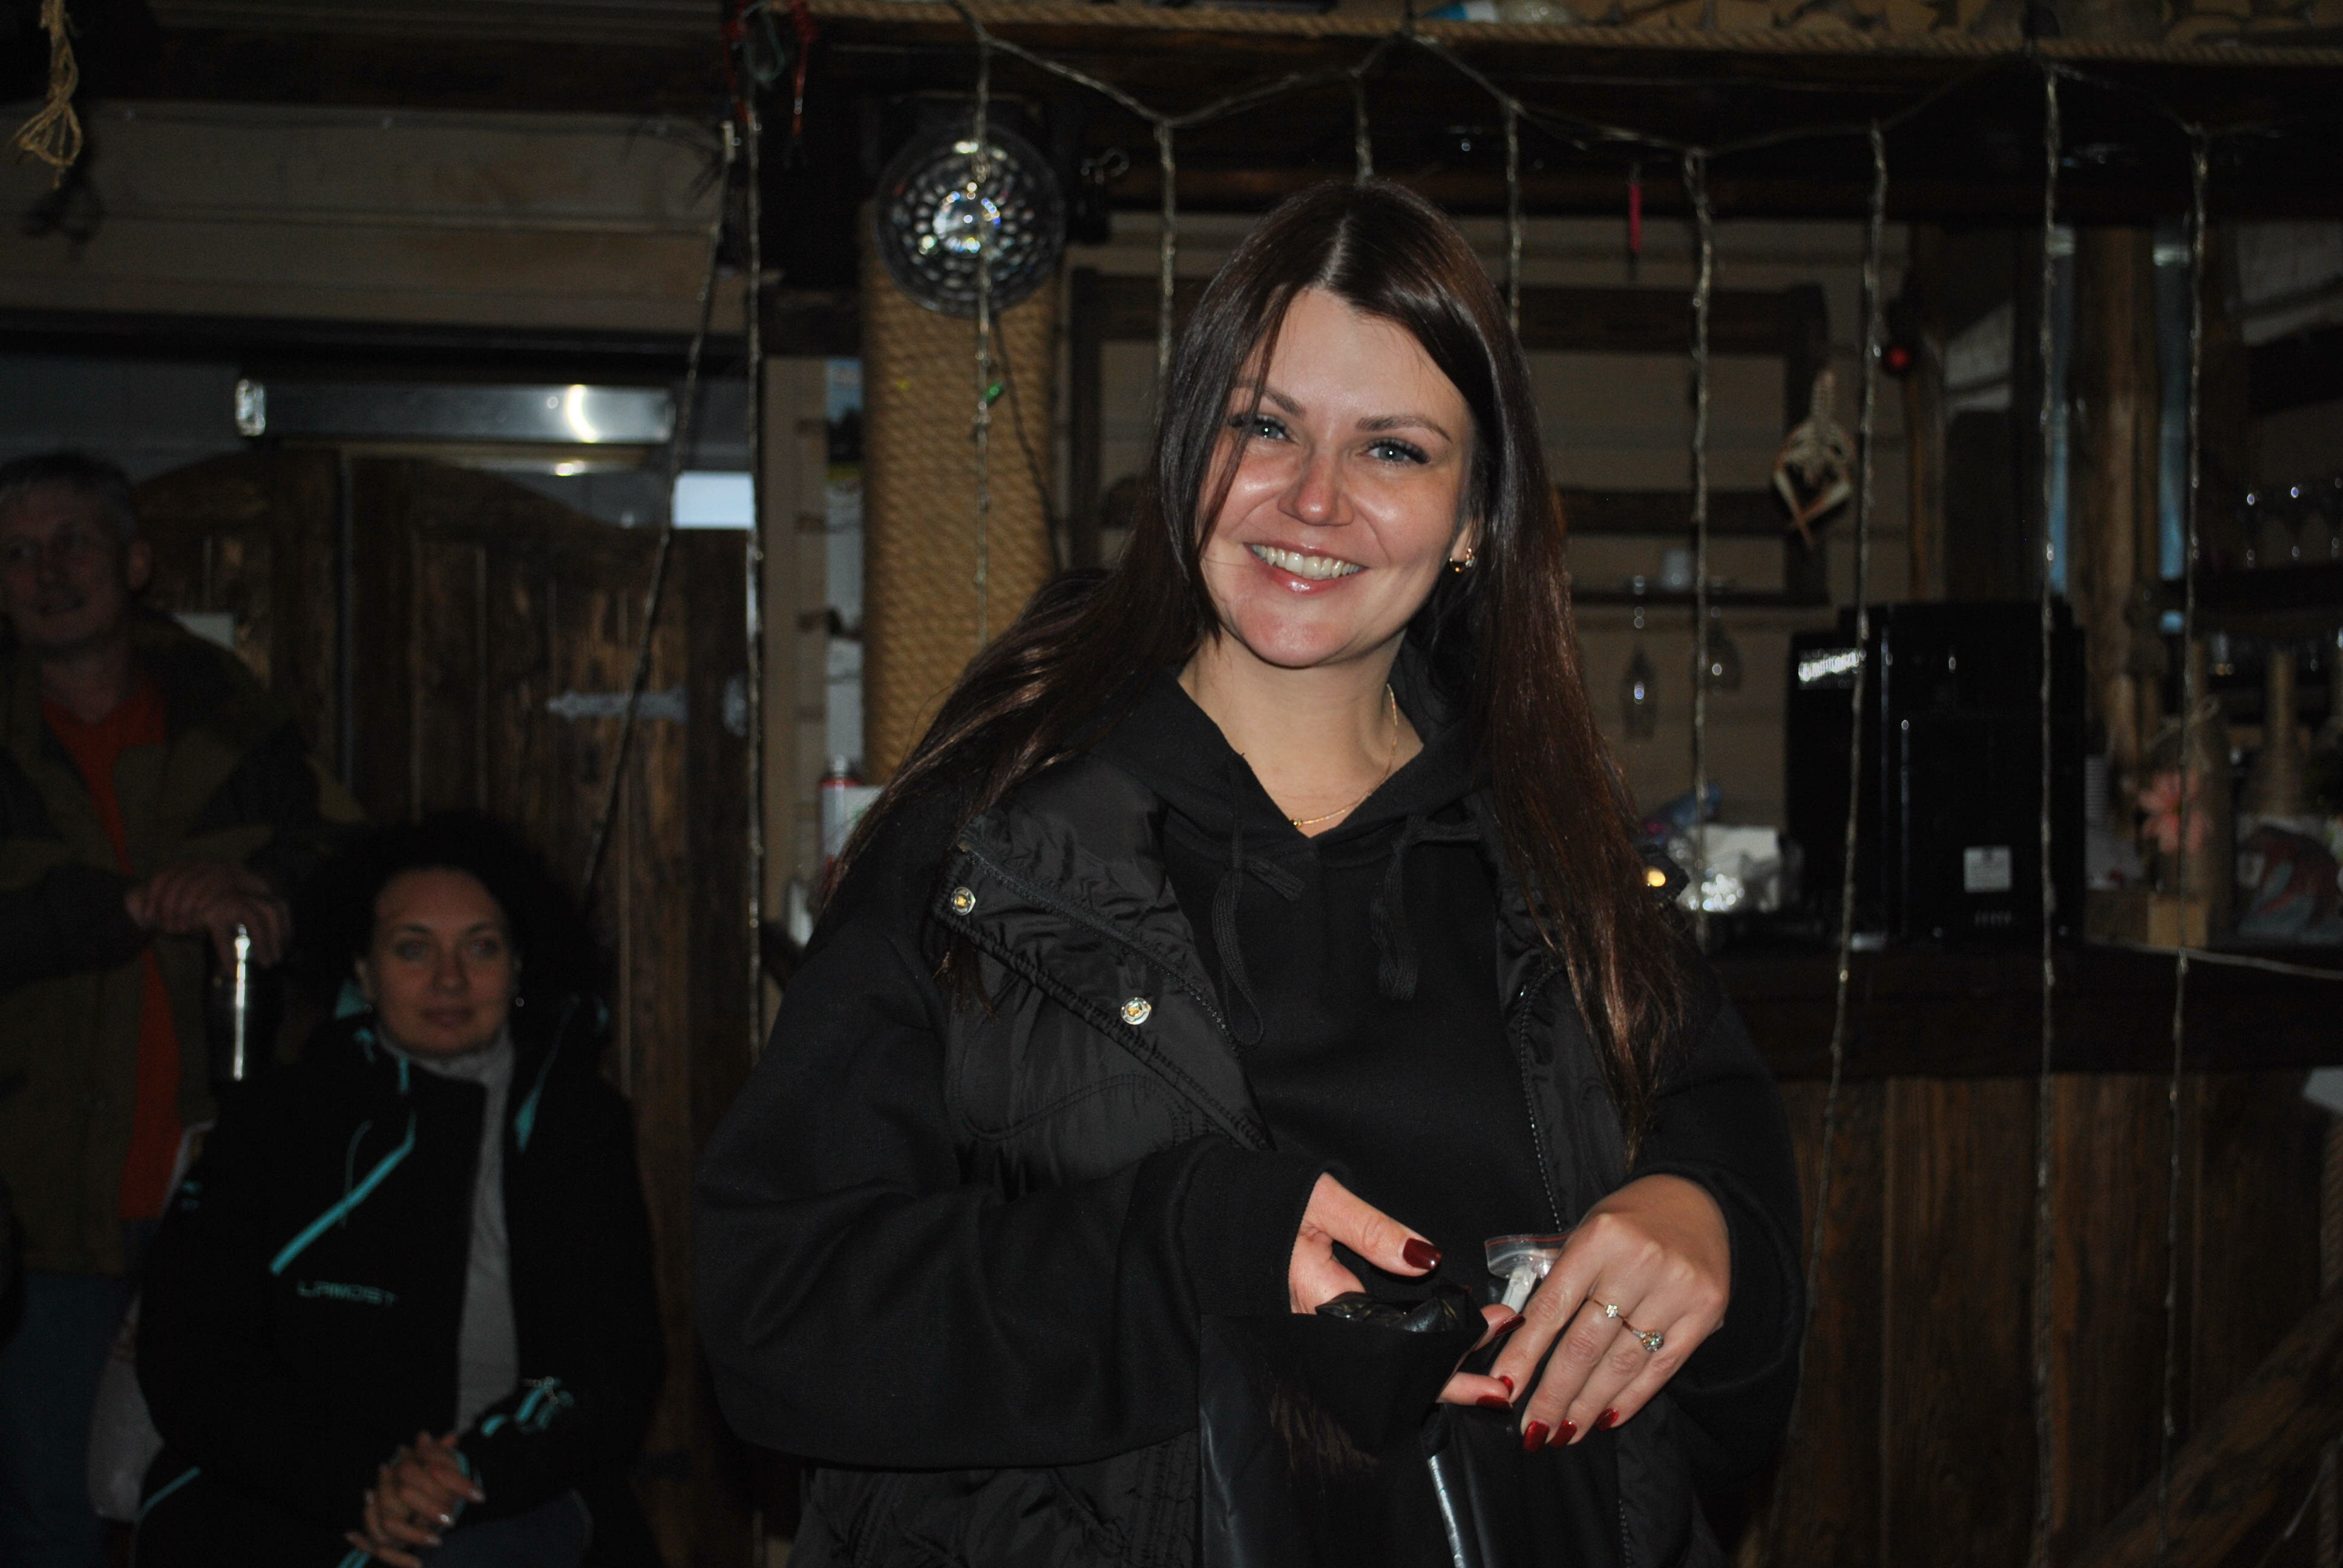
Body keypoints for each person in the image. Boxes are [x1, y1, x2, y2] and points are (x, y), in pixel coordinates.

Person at [693, 179, 1803, 1566]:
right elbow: (773, 1320)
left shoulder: (1564, 856)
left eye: (1392, 448)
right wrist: (1181, 1248)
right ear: (1188, 458)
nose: (1315, 498)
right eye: (1264, 426)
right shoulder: (989, 846)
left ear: (1475, 516)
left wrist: (1706, 1226)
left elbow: (1737, 1306)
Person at [131, 814, 664, 1567]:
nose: (449, 980)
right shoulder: (279, 1121)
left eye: (480, 947)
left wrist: (461, 1476)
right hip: (288, 1487)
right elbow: (192, 1358)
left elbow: (607, 1367)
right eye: (413, 948)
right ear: (363, 968)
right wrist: (364, 1482)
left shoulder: (574, 1123)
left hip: (504, 1485)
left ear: (519, 965)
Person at [0, 450, 358, 1567]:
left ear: (135, 563)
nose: (46, 573)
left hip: (223, 1191)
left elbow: (351, 872)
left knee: (227, 1510)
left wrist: (264, 892)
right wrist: (113, 909)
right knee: (49, 1516)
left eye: (72, 544)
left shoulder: (236, 719)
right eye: (17, 554)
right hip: (33, 1210)